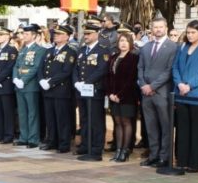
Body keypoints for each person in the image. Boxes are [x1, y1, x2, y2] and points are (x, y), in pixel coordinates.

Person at [171, 20, 198, 173]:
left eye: (193, 32)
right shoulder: (183, 47)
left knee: (197, 130)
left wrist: (189, 85)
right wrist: (180, 84)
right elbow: (175, 67)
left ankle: (195, 163)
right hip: (181, 94)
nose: (189, 35)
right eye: (188, 32)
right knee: (182, 129)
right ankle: (182, 160)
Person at [138, 18, 178, 168]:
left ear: (166, 28)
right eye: (155, 27)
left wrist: (153, 86)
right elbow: (140, 68)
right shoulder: (145, 47)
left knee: (165, 126)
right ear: (151, 29)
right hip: (146, 93)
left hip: (162, 93)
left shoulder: (173, 47)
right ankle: (153, 155)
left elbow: (169, 70)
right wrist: (143, 84)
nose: (158, 29)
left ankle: (164, 157)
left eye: (161, 27)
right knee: (151, 126)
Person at [73, 21, 111, 161]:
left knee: (96, 120)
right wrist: (77, 82)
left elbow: (102, 69)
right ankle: (85, 144)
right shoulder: (82, 50)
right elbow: (76, 68)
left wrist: (87, 82)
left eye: (89, 33)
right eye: (85, 33)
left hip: (94, 90)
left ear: (97, 34)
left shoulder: (103, 50)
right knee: (84, 118)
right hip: (81, 90)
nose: (86, 36)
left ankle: (96, 148)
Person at [39, 25, 78, 153]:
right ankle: (52, 141)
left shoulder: (70, 52)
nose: (56, 36)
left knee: (62, 118)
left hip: (61, 90)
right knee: (50, 118)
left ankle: (63, 143)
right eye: (55, 34)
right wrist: (41, 80)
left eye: (59, 34)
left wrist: (50, 82)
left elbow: (66, 71)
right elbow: (41, 67)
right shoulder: (49, 51)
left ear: (67, 36)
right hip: (48, 90)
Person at [106, 30, 139, 162]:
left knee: (126, 122)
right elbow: (109, 77)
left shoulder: (133, 58)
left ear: (130, 43)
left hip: (127, 96)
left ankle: (125, 150)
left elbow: (131, 80)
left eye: (126, 41)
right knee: (117, 122)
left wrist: (120, 95)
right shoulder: (114, 57)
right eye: (121, 41)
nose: (123, 44)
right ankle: (118, 149)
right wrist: (110, 94)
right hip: (113, 96)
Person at [12, 25, 45, 148]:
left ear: (34, 35)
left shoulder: (39, 50)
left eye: (26, 34)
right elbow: (16, 66)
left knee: (32, 113)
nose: (24, 36)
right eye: (23, 34)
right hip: (19, 85)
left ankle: (33, 138)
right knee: (22, 113)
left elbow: (35, 67)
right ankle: (23, 137)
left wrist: (23, 80)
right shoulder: (22, 50)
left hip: (31, 86)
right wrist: (15, 78)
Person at [0, 30, 18, 144]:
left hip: (5, 84)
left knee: (7, 111)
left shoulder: (11, 50)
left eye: (1, 35)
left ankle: (8, 134)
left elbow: (9, 67)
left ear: (8, 36)